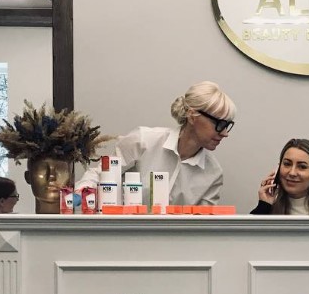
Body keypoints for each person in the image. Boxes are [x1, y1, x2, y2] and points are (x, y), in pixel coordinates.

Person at [76, 81, 237, 205]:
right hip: (122, 233)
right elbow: (100, 175)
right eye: (219, 124)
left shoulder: (213, 173)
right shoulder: (143, 141)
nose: (225, 133)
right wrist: (80, 195)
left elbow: (203, 227)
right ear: (192, 115)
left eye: (228, 125)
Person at [251, 138, 309, 215]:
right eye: (287, 164)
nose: (292, 173)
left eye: (302, 167)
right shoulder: (265, 211)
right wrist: (264, 206)